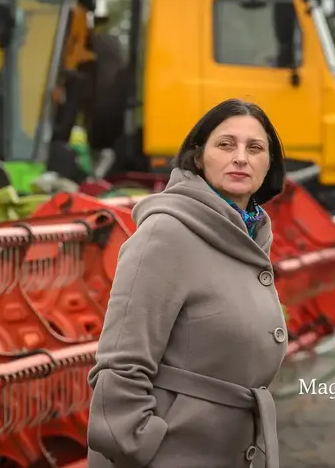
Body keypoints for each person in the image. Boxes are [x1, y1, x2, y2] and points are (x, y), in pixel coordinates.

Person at [86, 98, 289, 468]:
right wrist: (139, 448)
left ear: (269, 165)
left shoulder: (251, 236)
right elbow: (122, 362)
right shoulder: (165, 234)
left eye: (255, 148)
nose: (241, 157)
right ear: (198, 157)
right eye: (226, 144)